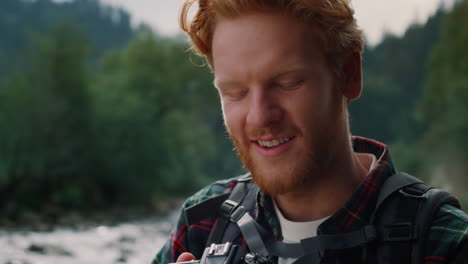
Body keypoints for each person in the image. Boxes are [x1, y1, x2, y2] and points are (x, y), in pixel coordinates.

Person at [153, 0, 468, 263]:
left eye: (287, 82)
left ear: (349, 74)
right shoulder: (202, 223)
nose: (260, 116)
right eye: (236, 92)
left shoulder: (443, 243)